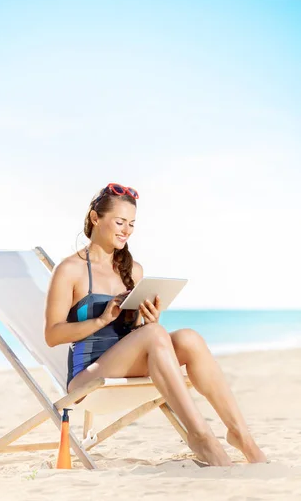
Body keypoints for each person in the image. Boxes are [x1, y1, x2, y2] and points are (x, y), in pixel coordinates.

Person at [45, 183, 267, 467]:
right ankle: (201, 436)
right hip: (88, 375)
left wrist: (148, 322)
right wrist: (102, 320)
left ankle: (242, 437)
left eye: (132, 224)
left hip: (127, 362)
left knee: (189, 338)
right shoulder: (70, 270)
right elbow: (52, 335)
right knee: (153, 334)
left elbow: (136, 334)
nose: (126, 230)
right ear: (95, 218)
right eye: (120, 222)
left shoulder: (133, 270)